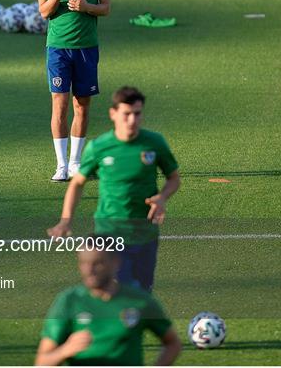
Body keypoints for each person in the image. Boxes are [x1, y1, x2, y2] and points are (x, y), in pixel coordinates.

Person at [47, 86, 181, 291]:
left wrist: (162, 197)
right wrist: (65, 221)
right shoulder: (99, 147)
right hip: (109, 234)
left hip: (145, 233)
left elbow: (173, 179)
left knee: (143, 294)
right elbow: (77, 183)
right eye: (126, 114)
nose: (132, 120)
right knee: (118, 293)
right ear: (113, 114)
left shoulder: (154, 143)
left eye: (137, 114)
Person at [36, 0, 111, 182]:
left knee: (82, 105)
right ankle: (60, 164)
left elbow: (106, 7)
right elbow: (44, 12)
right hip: (58, 47)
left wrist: (86, 7)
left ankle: (76, 163)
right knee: (60, 104)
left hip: (86, 47)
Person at [35, 239, 182, 366]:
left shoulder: (139, 301)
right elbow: (42, 362)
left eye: (97, 263)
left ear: (115, 262)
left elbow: (172, 343)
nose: (89, 270)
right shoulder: (69, 301)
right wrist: (65, 350)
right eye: (84, 263)